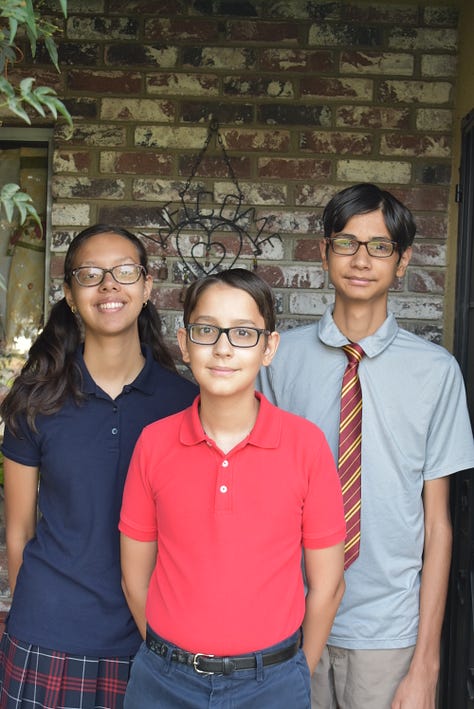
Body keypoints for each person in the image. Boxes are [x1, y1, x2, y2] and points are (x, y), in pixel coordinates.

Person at [258, 183, 474, 709]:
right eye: (347, 243)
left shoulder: (436, 372)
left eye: (380, 247)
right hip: (289, 619)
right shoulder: (278, 360)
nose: (361, 259)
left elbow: (438, 524)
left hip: (388, 632)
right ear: (324, 252)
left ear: (402, 263)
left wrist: (427, 661)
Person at [119, 268, 346, 709]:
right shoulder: (154, 443)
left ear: (269, 348)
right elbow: (134, 579)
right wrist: (176, 659)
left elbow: (328, 585)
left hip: (272, 683)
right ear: (184, 343)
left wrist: (298, 670)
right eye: (207, 330)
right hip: (163, 684)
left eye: (243, 333)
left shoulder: (305, 446)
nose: (223, 348)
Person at [0, 224, 198, 709]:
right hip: (49, 634)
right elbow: (18, 533)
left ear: (147, 287)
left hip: (155, 634)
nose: (109, 285)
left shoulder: (187, 402)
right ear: (69, 294)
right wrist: (47, 613)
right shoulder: (35, 399)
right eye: (90, 274)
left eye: (125, 272)